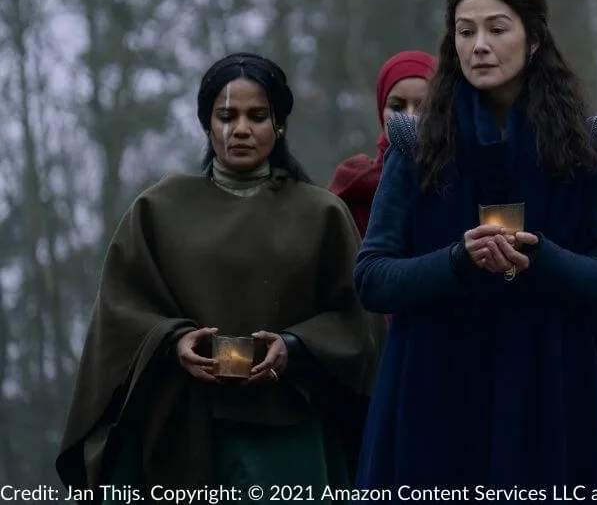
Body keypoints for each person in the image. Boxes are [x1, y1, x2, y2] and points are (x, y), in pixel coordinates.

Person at [352, 0, 597, 497]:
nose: (479, 45)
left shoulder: (589, 144)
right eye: (466, 32)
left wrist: (542, 257)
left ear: (533, 40)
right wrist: (457, 260)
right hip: (434, 391)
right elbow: (372, 277)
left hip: (553, 388)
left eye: (496, 28)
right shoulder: (414, 144)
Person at [55, 53, 385, 503]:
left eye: (257, 116)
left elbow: (357, 319)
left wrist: (293, 346)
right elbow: (119, 313)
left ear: (280, 124)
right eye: (226, 115)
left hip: (289, 437)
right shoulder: (159, 209)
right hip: (181, 431)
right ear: (207, 124)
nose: (241, 129)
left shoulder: (320, 213)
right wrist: (173, 343)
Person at [329, 51, 436, 238]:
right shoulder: (353, 184)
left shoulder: (457, 180)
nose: (409, 116)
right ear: (381, 110)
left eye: (422, 107)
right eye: (397, 107)